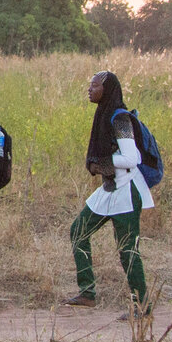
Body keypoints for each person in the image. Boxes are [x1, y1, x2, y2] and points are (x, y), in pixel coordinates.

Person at [66, 71, 150, 309]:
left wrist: (102, 164)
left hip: (126, 189)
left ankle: (141, 306)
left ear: (107, 89)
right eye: (89, 85)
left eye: (94, 86)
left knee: (127, 250)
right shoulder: (104, 115)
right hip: (109, 187)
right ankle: (87, 292)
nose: (89, 90)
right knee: (78, 231)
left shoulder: (120, 119)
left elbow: (132, 158)